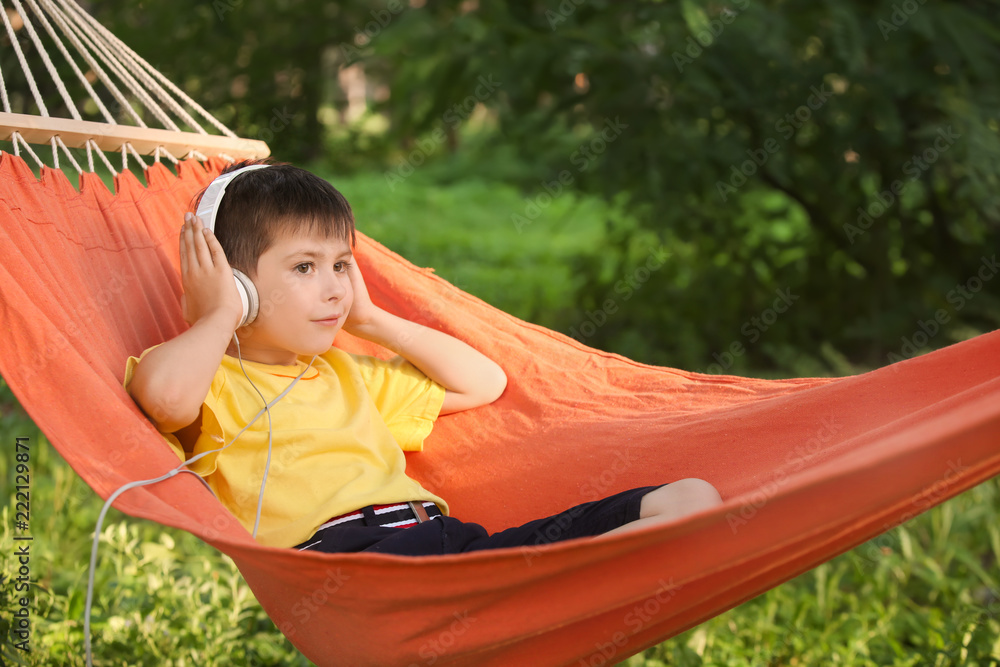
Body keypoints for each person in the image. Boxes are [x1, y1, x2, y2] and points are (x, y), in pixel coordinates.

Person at [123, 161, 723, 556]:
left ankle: (572, 589)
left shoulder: (345, 375)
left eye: (340, 265)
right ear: (236, 285)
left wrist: (374, 321)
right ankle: (567, 588)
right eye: (304, 267)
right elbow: (167, 400)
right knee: (541, 569)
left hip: (441, 543)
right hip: (349, 563)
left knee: (690, 497)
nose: (334, 287)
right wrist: (220, 314)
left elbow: (483, 382)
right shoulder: (210, 378)